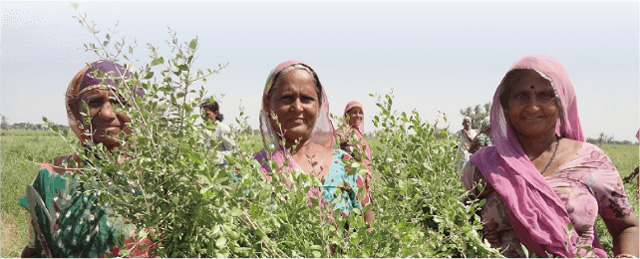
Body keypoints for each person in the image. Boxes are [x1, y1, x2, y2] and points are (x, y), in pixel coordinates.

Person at [462, 54, 639, 258]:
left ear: (563, 102)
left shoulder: (592, 161)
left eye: (546, 95)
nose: (533, 106)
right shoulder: (483, 167)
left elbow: (625, 226)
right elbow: (452, 228)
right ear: (506, 105)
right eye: (521, 96)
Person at [18, 60, 154, 258]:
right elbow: (34, 250)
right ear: (75, 111)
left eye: (119, 101)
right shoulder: (53, 176)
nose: (107, 113)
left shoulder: (161, 178)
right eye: (95, 102)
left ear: (138, 110)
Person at [253, 60, 374, 223]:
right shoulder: (252, 170)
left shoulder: (346, 166)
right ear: (268, 105)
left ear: (319, 106)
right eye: (287, 98)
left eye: (306, 99)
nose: (297, 107)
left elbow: (369, 229)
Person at [334, 101, 373, 190]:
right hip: (349, 181)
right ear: (347, 115)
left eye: (360, 112)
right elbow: (334, 143)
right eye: (354, 112)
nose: (358, 115)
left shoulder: (358, 134)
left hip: (363, 181)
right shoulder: (343, 131)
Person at [201, 99, 235, 167]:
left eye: (207, 114)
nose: (204, 117)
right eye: (202, 114)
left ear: (216, 113)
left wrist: (217, 158)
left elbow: (232, 150)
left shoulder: (223, 129)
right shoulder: (202, 130)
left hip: (222, 171)